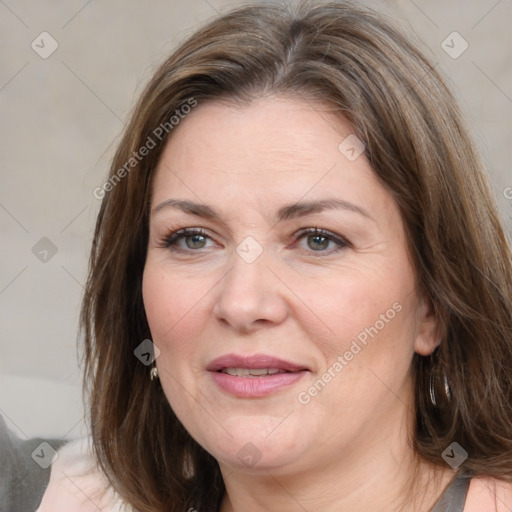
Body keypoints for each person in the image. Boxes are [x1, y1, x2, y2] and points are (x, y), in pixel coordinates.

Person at [39, 0, 512, 510]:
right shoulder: (54, 493)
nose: (242, 303)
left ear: (432, 304)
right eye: (193, 238)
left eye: (318, 239)